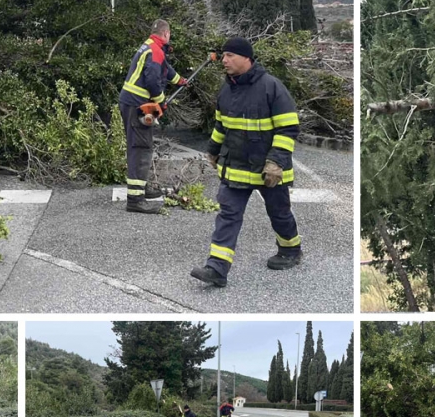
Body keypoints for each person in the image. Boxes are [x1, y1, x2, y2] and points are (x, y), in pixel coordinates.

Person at [190, 37, 302, 287]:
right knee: (228, 215)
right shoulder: (226, 89)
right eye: (223, 56)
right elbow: (222, 125)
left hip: (267, 169)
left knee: (279, 213)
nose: (224, 61)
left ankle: (291, 251)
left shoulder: (271, 87)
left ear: (246, 58)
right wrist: (213, 150)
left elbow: (288, 128)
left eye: (230, 55)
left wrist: (276, 162)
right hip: (236, 167)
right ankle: (216, 269)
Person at [118, 19, 188, 214]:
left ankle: (141, 187)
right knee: (141, 148)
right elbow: (152, 80)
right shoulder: (155, 51)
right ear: (166, 34)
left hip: (135, 104)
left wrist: (180, 81)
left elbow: (166, 70)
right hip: (137, 105)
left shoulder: (151, 47)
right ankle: (135, 199)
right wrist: (161, 101)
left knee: (143, 144)